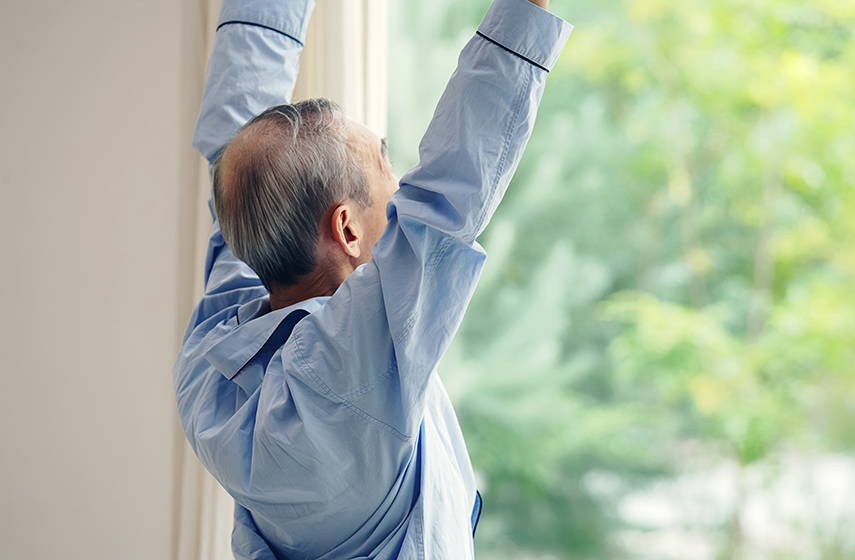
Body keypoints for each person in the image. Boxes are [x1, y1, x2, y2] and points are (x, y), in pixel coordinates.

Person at [174, 0, 572, 558]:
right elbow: (446, 199)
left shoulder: (207, 364)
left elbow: (236, 163)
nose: (400, 184)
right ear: (348, 228)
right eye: (388, 170)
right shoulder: (345, 372)